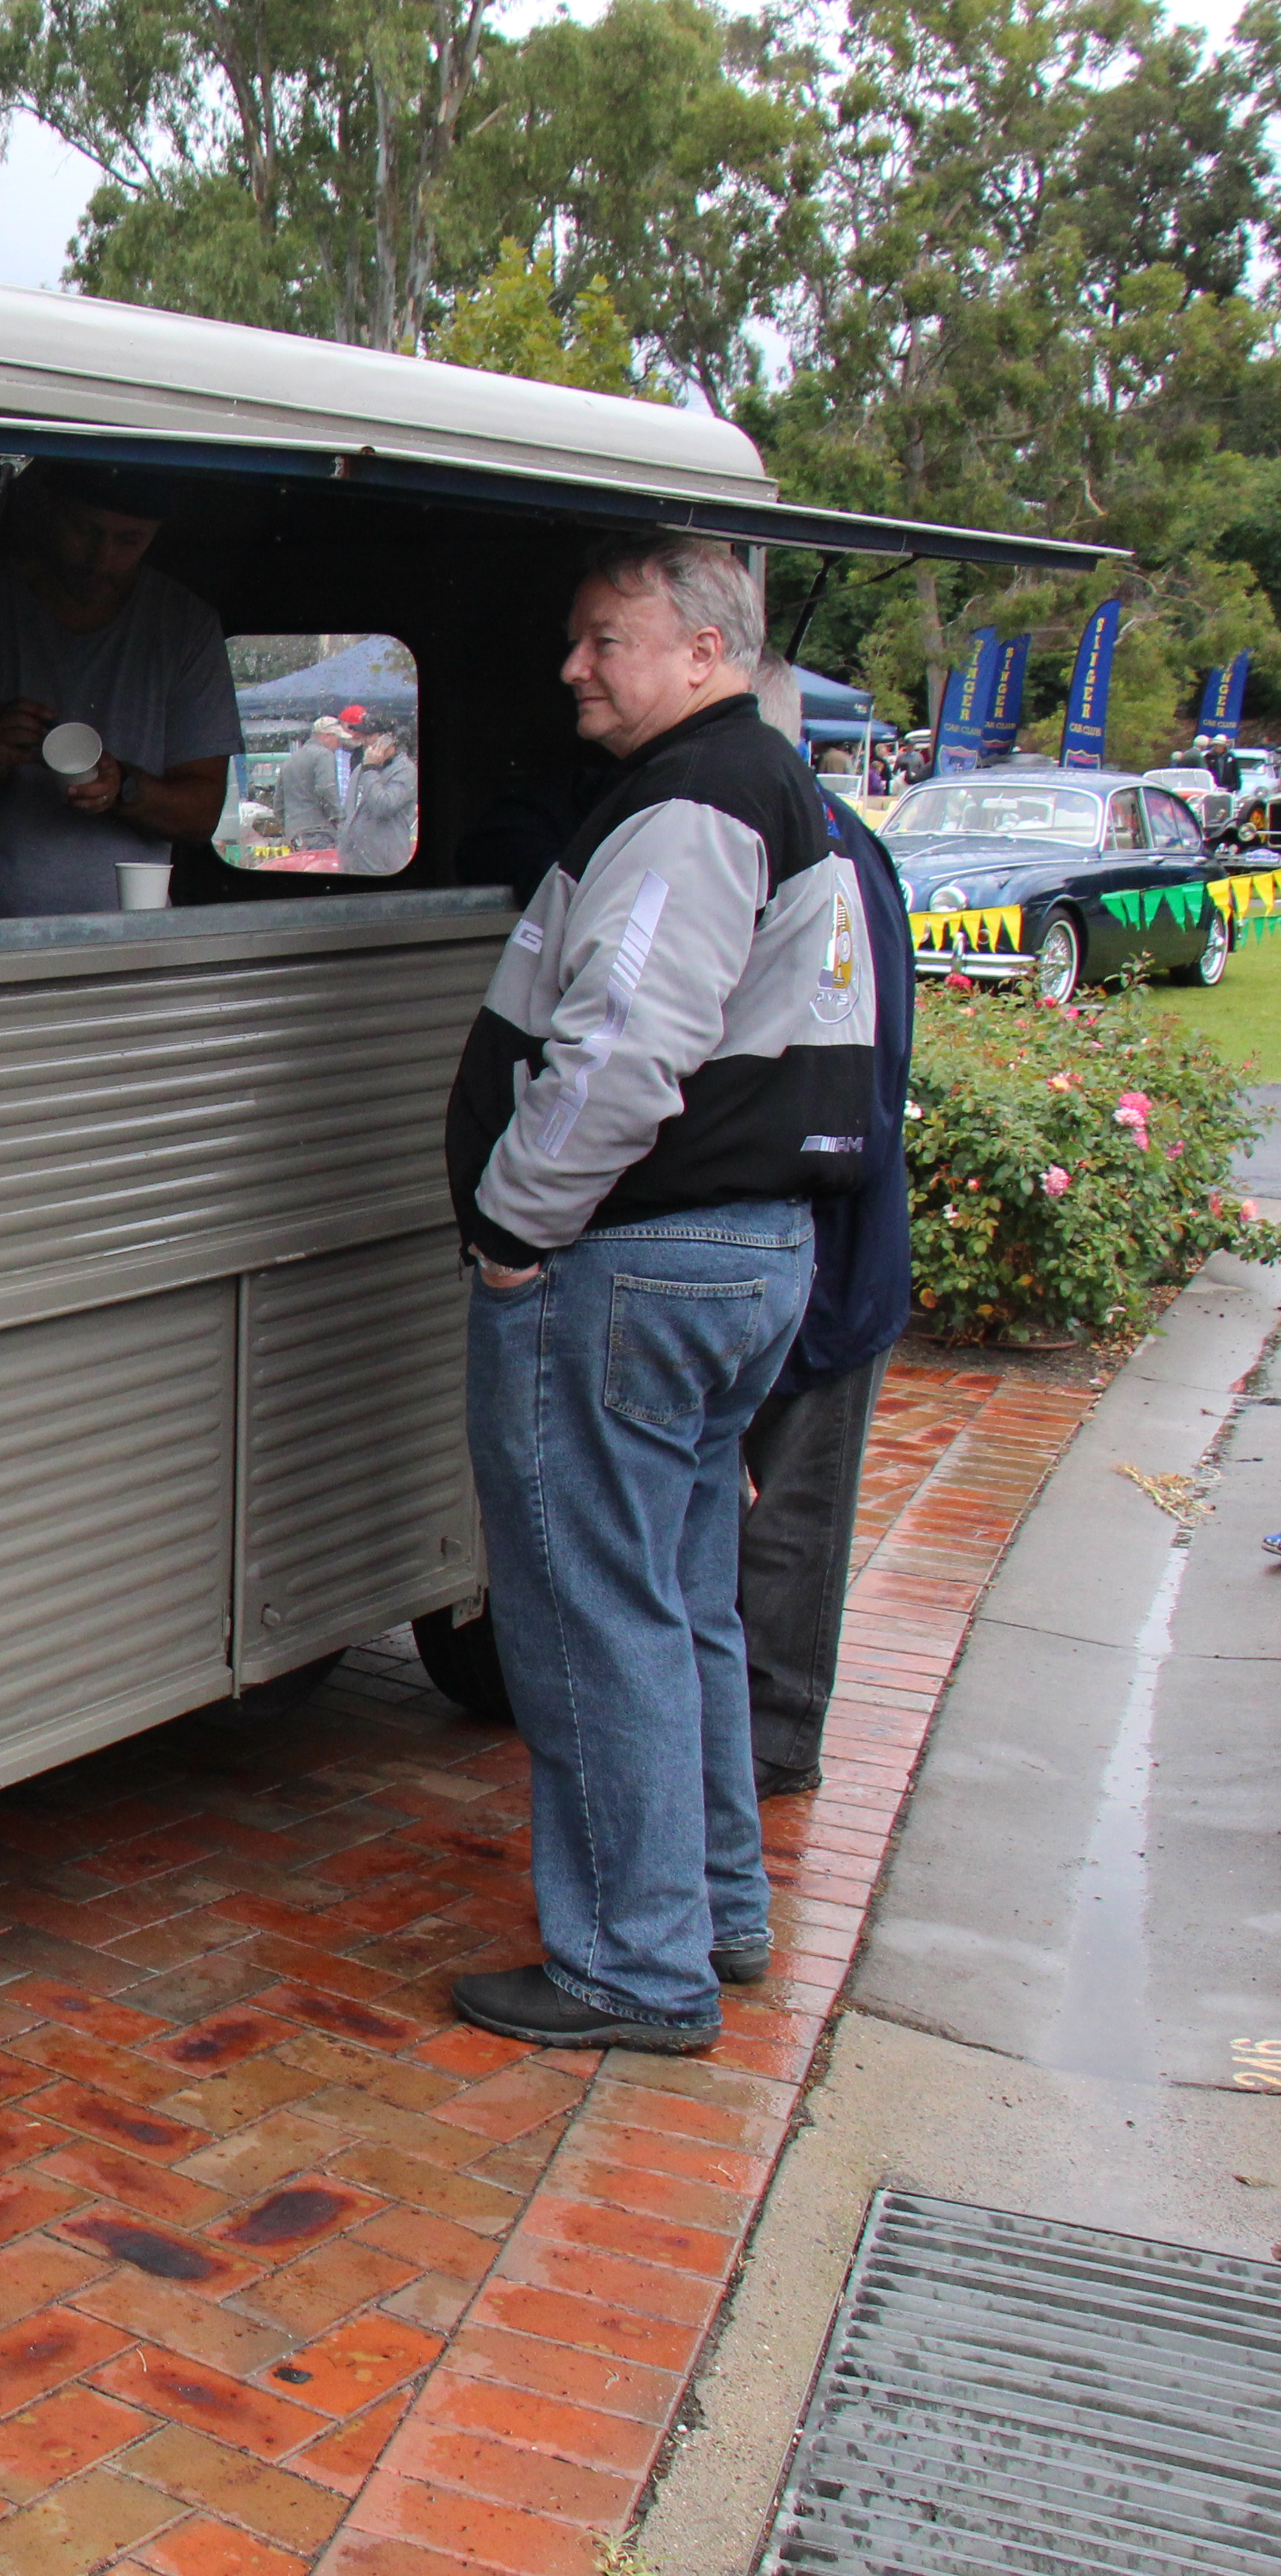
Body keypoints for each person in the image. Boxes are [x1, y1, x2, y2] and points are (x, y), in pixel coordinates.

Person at [443, 534, 879, 2053]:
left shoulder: (691, 805)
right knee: (682, 1601)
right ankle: (714, 1909)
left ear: (704, 651)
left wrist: (513, 1223)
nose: (573, 667)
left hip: (628, 1259)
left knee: (590, 1617)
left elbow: (624, 1047)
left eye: (603, 639)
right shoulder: (776, 786)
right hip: (738, 1258)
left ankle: (633, 1965)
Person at [738, 663, 915, 1800]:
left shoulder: (809, 856)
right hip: (806, 1234)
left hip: (822, 1241)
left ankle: (770, 1745)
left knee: (790, 1514)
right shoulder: (836, 841)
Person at [0, 465, 241, 917]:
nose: (101, 559)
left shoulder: (184, 628)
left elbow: (201, 815)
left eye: (128, 541)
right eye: (86, 531)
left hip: (125, 945)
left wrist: (123, 788)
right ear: (50, 510)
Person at [340, 717, 419, 872]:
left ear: (389, 738)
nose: (364, 741)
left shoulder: (405, 771)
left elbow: (383, 806)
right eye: (361, 735)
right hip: (354, 861)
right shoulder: (359, 770)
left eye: (368, 735)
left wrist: (371, 770)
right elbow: (349, 811)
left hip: (385, 864)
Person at [276, 710, 360, 850]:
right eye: (338, 738)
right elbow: (326, 788)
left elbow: (278, 805)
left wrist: (290, 827)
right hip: (320, 833)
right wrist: (339, 818)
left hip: (296, 835)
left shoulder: (290, 761)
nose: (339, 744)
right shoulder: (324, 755)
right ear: (327, 736)